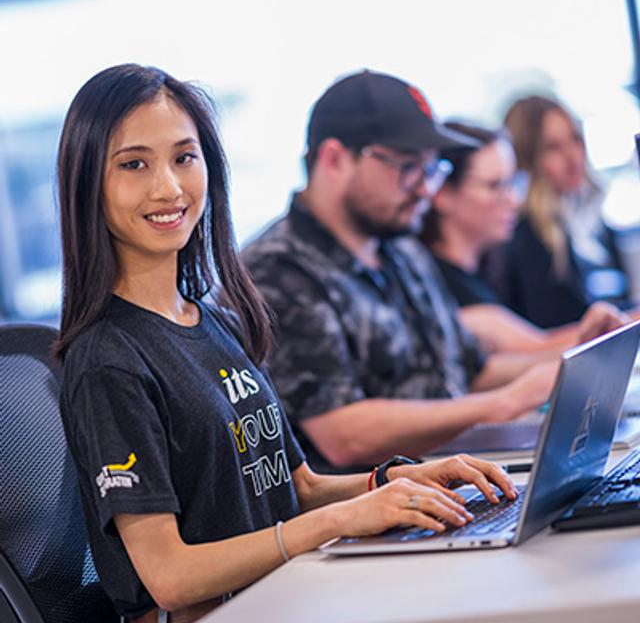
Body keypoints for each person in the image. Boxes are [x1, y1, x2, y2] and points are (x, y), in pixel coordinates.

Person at [55, 64, 517, 623]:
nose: (169, 187)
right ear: (88, 184)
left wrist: (393, 481)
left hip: (291, 594)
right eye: (134, 164)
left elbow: (295, 486)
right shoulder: (108, 358)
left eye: (184, 157)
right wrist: (336, 522)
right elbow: (170, 578)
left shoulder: (216, 320)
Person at [242, 70, 559, 476]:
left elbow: (470, 371)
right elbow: (342, 434)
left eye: (431, 169)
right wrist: (502, 403)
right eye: (407, 167)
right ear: (335, 159)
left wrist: (572, 358)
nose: (425, 189)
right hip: (368, 508)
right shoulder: (275, 270)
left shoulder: (401, 247)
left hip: (447, 474)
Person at [421, 121, 625, 354]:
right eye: (494, 186)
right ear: (442, 194)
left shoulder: (487, 271)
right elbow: (536, 348)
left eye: (513, 182)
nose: (514, 199)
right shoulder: (442, 285)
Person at [496, 94, 633, 328]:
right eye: (553, 148)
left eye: (575, 139)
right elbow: (558, 328)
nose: (573, 157)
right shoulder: (528, 237)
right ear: (528, 158)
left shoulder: (590, 220)